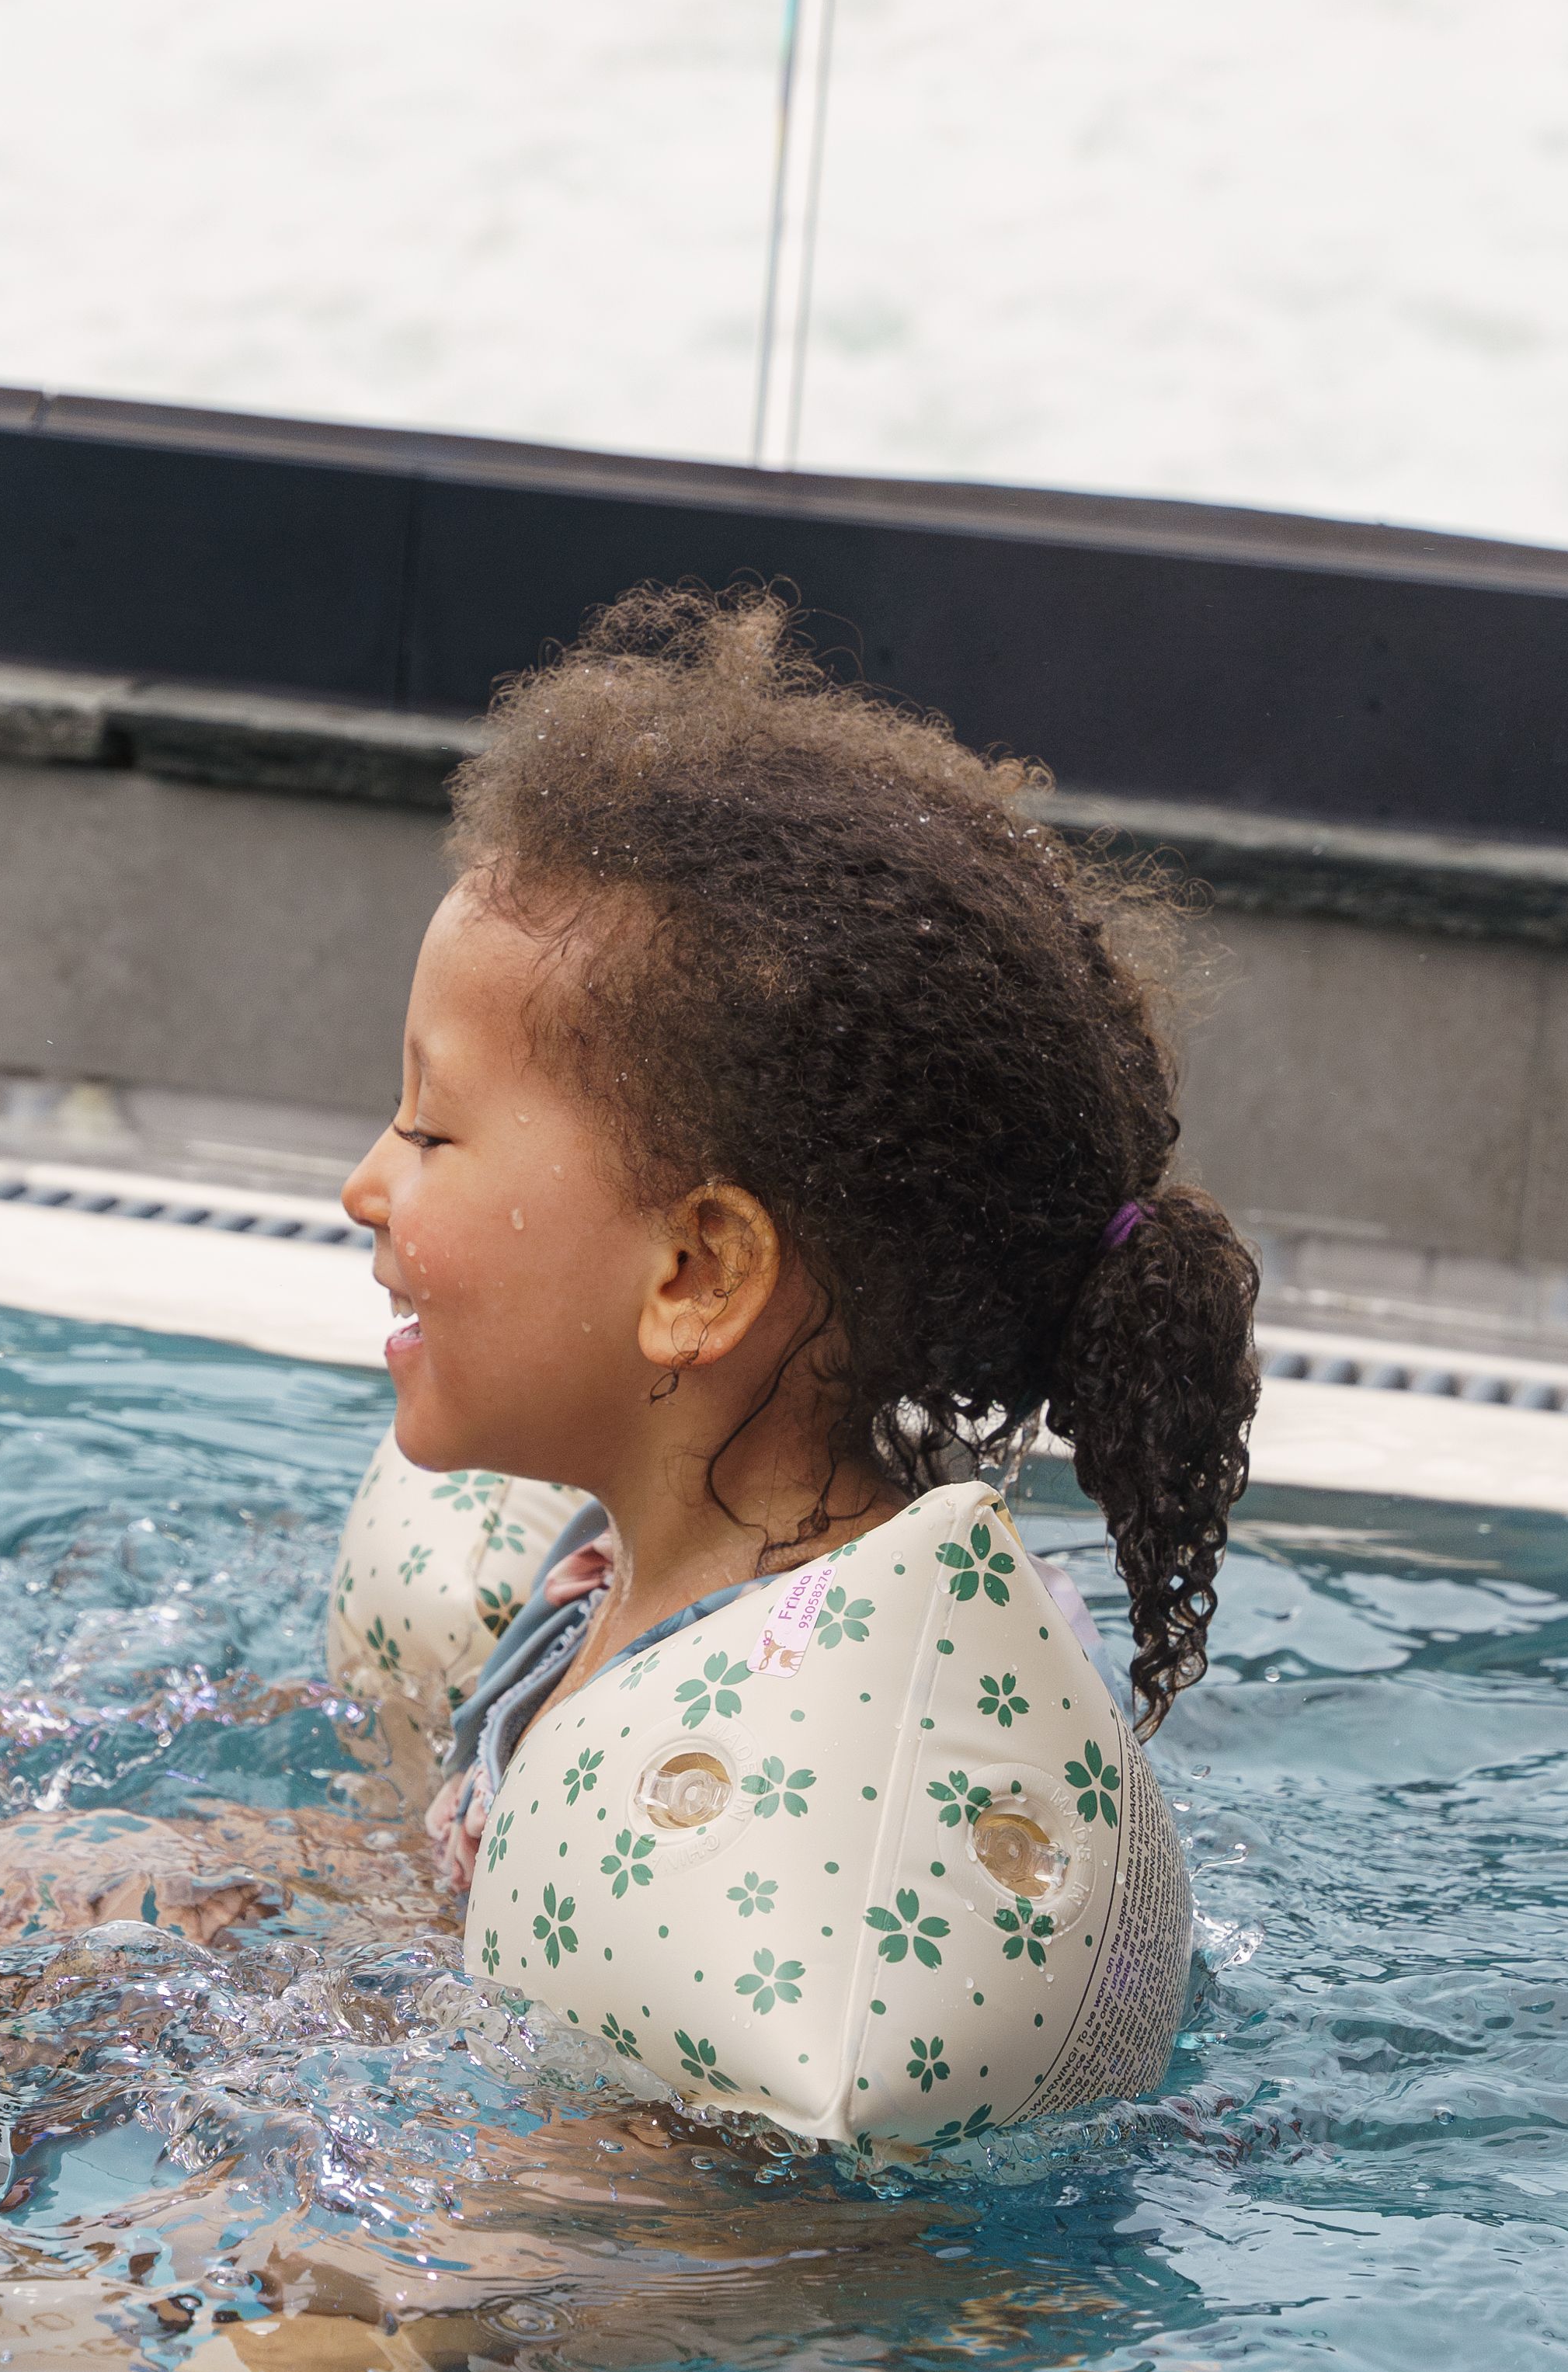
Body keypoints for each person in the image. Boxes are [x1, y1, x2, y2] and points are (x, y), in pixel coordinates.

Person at [336, 583, 1264, 2141]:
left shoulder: (821, 1809)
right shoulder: (605, 1569)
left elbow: (699, 2261)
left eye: (429, 1129)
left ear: (696, 1275)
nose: (368, 1181)